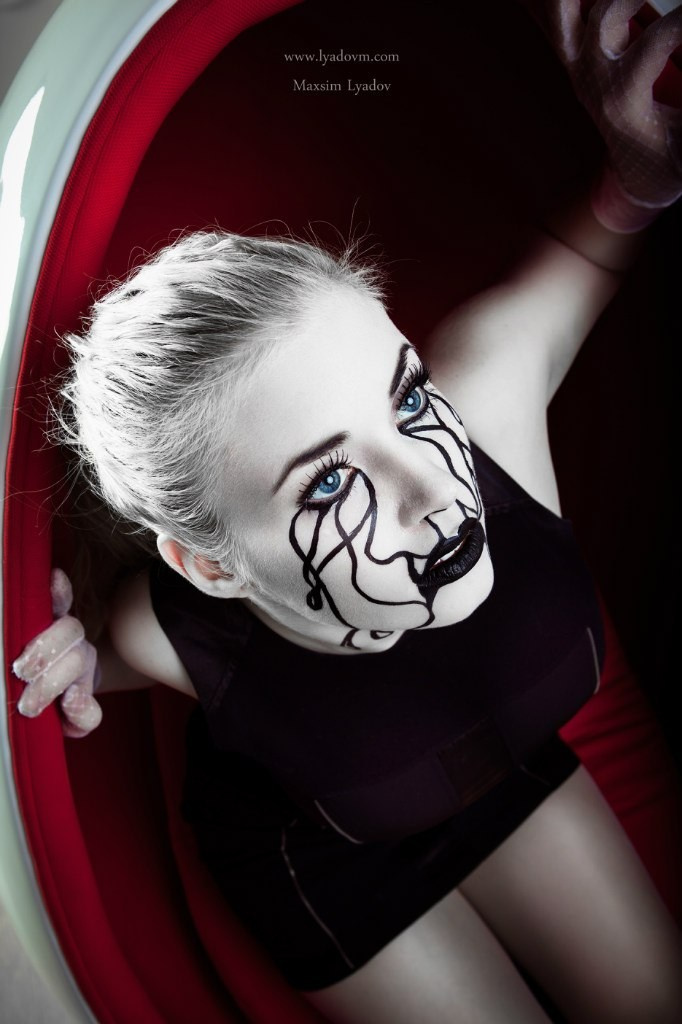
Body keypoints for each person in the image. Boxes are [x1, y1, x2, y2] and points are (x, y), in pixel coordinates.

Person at [12, 2, 682, 1021]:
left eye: (406, 399)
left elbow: (597, 242)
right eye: (326, 483)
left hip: (487, 760)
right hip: (321, 849)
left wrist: (642, 169)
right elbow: (99, 655)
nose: (432, 487)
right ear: (213, 566)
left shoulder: (487, 405)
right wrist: (71, 656)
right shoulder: (179, 628)